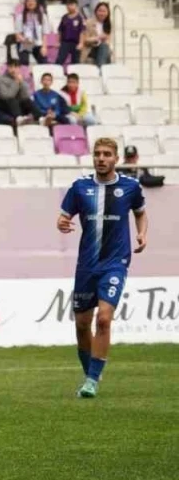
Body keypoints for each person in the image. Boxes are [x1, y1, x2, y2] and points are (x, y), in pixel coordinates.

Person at [57, 138, 147, 398]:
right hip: (87, 264)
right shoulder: (80, 187)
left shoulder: (130, 187)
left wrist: (142, 234)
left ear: (116, 159)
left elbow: (140, 212)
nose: (101, 158)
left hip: (115, 262)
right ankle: (90, 375)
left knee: (104, 318)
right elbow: (63, 217)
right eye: (97, 154)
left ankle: (92, 381)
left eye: (107, 154)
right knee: (82, 325)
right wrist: (62, 223)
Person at [5, 0, 49, 65]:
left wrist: (44, 47)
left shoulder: (42, 16)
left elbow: (44, 33)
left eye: (33, 1)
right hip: (25, 42)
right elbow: (17, 34)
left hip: (38, 43)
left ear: (36, 3)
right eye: (28, 1)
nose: (30, 2)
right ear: (25, 3)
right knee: (24, 62)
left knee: (44, 62)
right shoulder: (20, 16)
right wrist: (25, 40)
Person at [55, 0, 86, 67]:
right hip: (65, 42)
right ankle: (55, 71)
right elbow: (60, 30)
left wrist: (81, 43)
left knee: (75, 62)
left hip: (76, 43)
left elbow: (82, 32)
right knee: (59, 60)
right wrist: (58, 42)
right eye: (68, 4)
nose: (69, 6)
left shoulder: (80, 18)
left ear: (76, 6)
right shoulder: (64, 17)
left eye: (71, 4)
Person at [82, 1, 112, 66]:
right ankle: (101, 69)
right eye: (100, 11)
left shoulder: (108, 25)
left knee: (104, 47)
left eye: (104, 11)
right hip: (91, 49)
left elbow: (108, 42)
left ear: (108, 13)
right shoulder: (89, 22)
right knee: (104, 47)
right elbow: (85, 40)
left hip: (103, 49)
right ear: (96, 11)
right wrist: (98, 38)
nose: (102, 13)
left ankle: (100, 68)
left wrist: (105, 41)